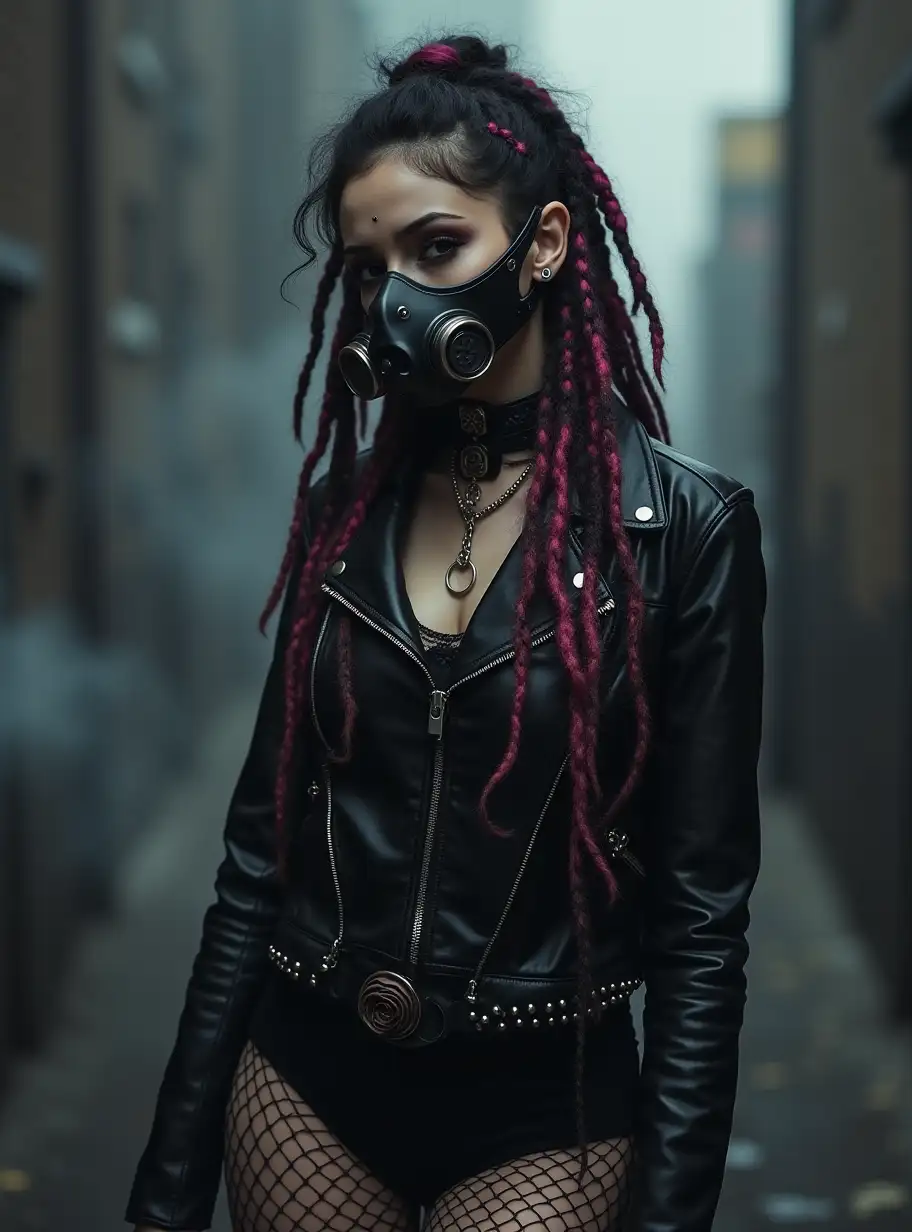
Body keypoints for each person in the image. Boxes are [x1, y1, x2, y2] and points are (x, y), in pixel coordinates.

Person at [126, 33, 765, 1232]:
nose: (397, 301)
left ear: (543, 246)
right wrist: (167, 1186)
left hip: (548, 1102)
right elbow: (254, 865)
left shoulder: (684, 531)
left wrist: (671, 1212)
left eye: (436, 248)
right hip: (307, 1078)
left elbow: (702, 916)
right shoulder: (343, 512)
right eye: (370, 270)